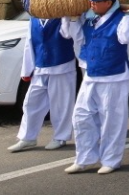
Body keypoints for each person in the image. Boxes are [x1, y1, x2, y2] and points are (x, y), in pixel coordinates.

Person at [62, 0, 129, 175]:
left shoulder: (122, 19)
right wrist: (71, 18)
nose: (91, 3)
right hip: (91, 72)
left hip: (114, 75)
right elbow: (73, 36)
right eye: (91, 0)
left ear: (108, 3)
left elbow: (126, 38)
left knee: (112, 120)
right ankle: (84, 158)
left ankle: (111, 160)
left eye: (96, 1)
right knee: (81, 116)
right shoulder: (89, 18)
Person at [7, 13, 77, 152]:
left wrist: (65, 16)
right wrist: (27, 70)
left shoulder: (63, 17)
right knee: (30, 103)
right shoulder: (34, 19)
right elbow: (29, 43)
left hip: (62, 65)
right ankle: (28, 137)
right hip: (40, 66)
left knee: (61, 104)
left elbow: (67, 34)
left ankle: (60, 137)